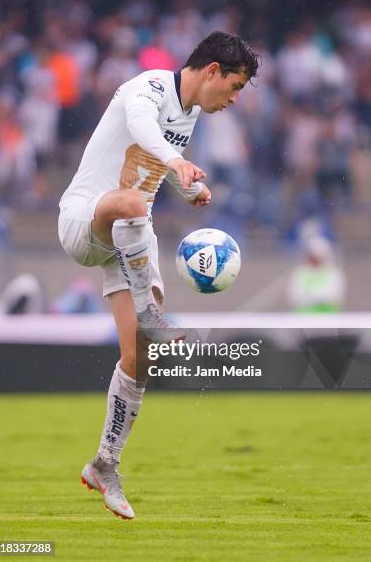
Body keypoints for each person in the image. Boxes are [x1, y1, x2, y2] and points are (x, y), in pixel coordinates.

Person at [58, 31, 259, 519]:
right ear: (212, 70)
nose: (233, 99)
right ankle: (150, 313)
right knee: (131, 204)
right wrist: (175, 159)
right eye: (234, 86)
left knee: (139, 359)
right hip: (87, 220)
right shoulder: (147, 87)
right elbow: (141, 128)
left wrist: (186, 186)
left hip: (128, 239)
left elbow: (152, 165)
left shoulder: (187, 116)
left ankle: (105, 463)